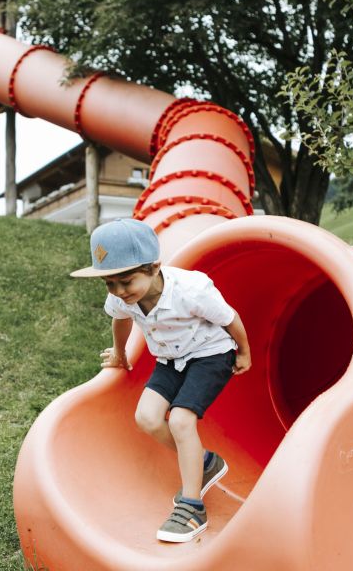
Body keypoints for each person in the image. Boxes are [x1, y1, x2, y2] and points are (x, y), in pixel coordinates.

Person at [71, 218, 251, 543]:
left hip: (211, 354)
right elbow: (120, 320)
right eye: (109, 283)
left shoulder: (191, 290)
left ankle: (192, 506)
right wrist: (120, 353)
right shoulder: (122, 298)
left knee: (181, 420)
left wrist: (244, 353)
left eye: (126, 281)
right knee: (147, 418)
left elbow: (229, 318)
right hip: (170, 359)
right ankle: (205, 462)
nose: (118, 291)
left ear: (154, 268)